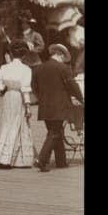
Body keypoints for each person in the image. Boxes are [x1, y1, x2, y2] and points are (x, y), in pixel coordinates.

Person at [30, 43, 84, 172]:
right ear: (59, 54)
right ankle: (41, 159)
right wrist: (80, 98)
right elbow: (72, 86)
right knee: (54, 133)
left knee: (56, 132)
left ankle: (61, 161)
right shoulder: (63, 68)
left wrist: (42, 99)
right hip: (59, 106)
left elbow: (34, 87)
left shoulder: (39, 68)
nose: (63, 60)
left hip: (45, 107)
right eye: (63, 57)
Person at [0, 40, 36, 169]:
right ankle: (7, 158)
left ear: (11, 53)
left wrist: (3, 89)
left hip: (8, 96)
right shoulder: (26, 69)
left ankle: (7, 156)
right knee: (18, 123)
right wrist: (28, 105)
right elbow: (25, 88)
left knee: (7, 123)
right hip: (18, 97)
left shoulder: (5, 67)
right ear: (24, 55)